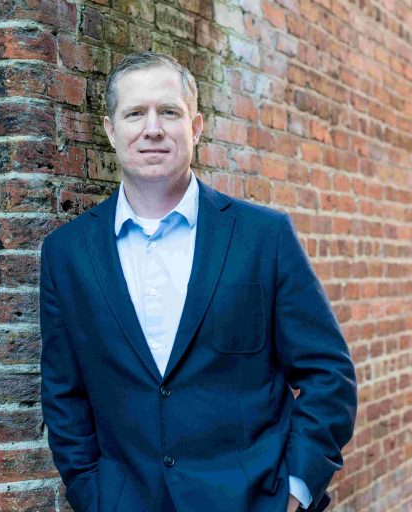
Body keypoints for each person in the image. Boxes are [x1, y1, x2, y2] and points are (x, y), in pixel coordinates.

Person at [39, 51, 357, 512]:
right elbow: (63, 394)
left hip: (253, 501)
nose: (152, 129)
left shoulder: (262, 237)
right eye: (135, 113)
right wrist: (93, 495)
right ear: (110, 130)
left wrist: (293, 495)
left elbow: (329, 377)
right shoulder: (67, 253)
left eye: (169, 112)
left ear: (196, 126)